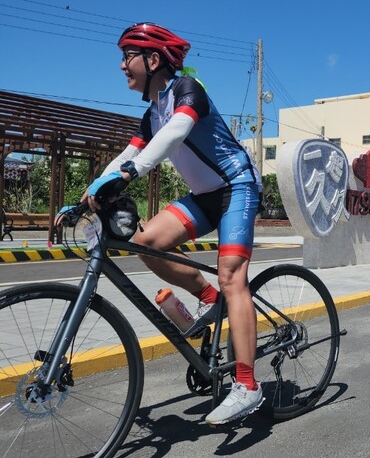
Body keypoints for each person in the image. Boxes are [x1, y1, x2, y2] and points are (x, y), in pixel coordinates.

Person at [82, 22, 263, 425]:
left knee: (232, 275)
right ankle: (213, 304)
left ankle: (248, 385)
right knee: (147, 242)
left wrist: (129, 173)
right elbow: (128, 152)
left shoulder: (187, 91)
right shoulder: (151, 115)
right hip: (205, 197)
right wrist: (90, 189)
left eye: (128, 56)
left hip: (237, 187)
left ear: (153, 59)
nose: (122, 66)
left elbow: (177, 133)